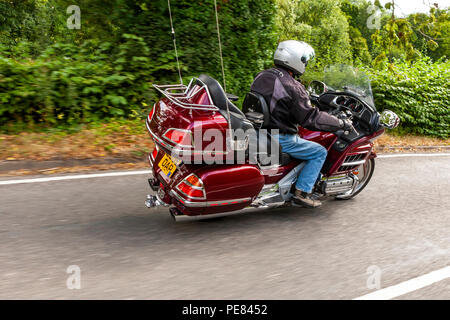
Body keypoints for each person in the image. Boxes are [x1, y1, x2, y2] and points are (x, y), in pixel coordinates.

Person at [250, 40, 354, 208]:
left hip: (259, 130)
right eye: (304, 61)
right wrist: (340, 123)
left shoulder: (263, 75)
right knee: (319, 152)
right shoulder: (292, 85)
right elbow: (310, 118)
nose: (305, 64)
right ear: (296, 59)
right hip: (281, 137)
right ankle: (302, 192)